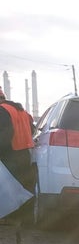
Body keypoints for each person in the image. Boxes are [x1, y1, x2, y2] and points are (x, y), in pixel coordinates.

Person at [0, 87, 35, 225]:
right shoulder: (22, 111)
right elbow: (32, 129)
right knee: (22, 188)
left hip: (10, 154)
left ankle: (9, 218)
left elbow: (4, 134)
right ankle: (24, 219)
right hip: (25, 154)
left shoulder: (2, 110)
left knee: (9, 189)